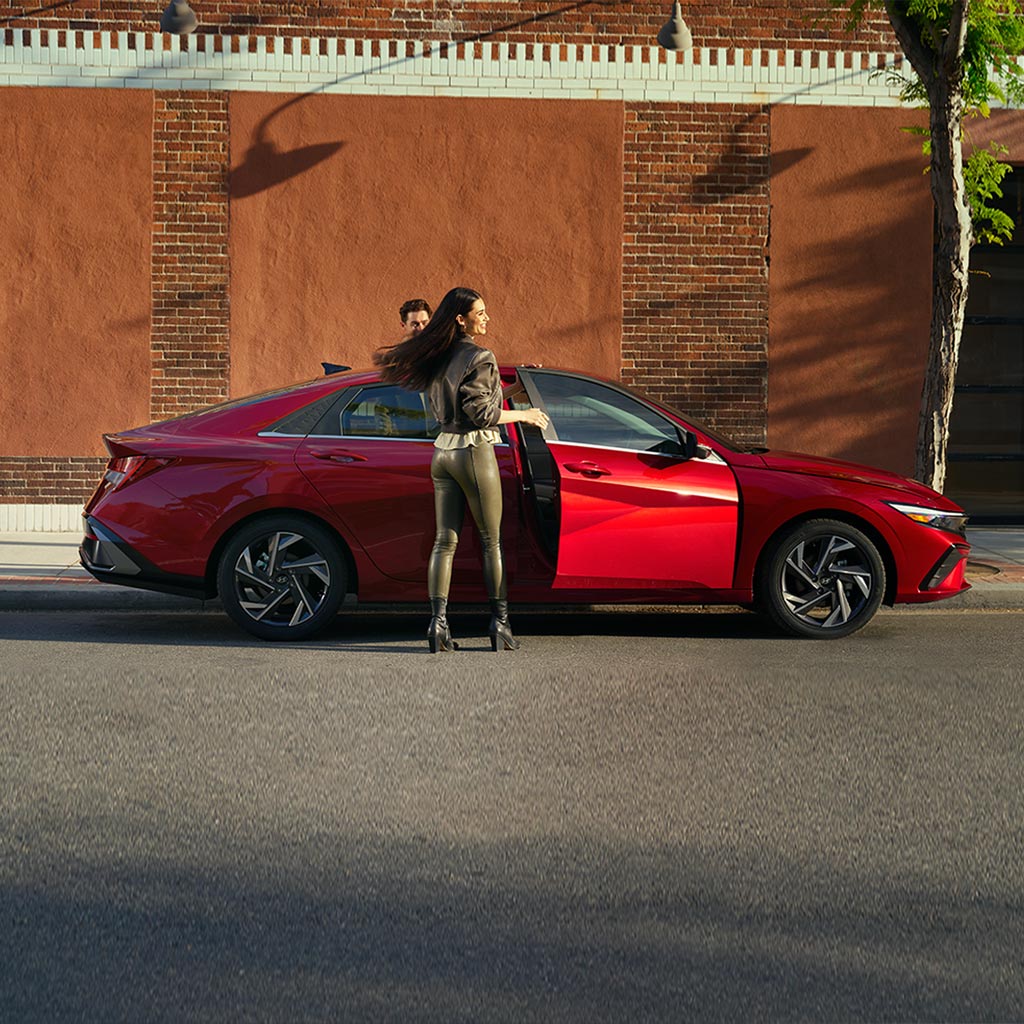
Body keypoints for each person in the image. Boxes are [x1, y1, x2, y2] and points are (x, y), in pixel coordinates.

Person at [375, 287, 549, 653]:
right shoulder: (480, 355)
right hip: (473, 450)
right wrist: (527, 415)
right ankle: (500, 624)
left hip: (442, 453)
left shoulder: (436, 354)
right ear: (461, 318)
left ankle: (437, 625)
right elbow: (481, 414)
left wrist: (516, 387)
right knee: (491, 542)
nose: (486, 318)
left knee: (444, 542)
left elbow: (473, 398)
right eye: (480, 312)